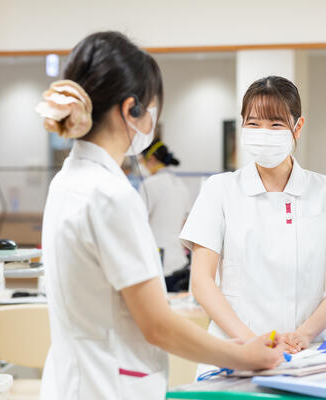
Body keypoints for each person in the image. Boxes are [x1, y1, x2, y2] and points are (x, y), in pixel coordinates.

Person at [36, 32, 284, 400]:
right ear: (130, 109)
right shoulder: (111, 195)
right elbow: (157, 326)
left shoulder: (66, 182)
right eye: (152, 108)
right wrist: (242, 356)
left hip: (70, 381)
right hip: (107, 385)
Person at [180, 76, 326, 363]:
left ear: (298, 127)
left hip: (306, 350)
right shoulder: (219, 190)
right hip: (235, 348)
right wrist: (249, 341)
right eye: (253, 123)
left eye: (276, 124)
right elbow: (202, 281)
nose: (263, 132)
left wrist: (305, 333)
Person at [138, 139, 191, 292]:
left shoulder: (149, 185)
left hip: (157, 265)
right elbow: (184, 226)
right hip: (179, 263)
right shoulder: (182, 186)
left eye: (143, 160)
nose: (142, 165)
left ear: (152, 159)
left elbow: (140, 223)